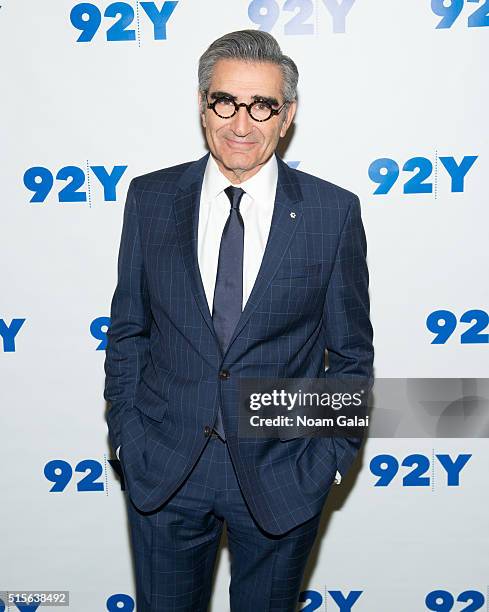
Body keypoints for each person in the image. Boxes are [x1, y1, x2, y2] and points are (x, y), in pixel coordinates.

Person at [104, 29, 374, 612]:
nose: (241, 123)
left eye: (262, 106)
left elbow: (350, 355)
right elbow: (128, 329)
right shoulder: (149, 199)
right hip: (165, 468)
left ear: (288, 114)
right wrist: (128, 435)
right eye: (225, 101)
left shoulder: (333, 212)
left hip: (283, 471)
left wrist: (328, 460)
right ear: (203, 106)